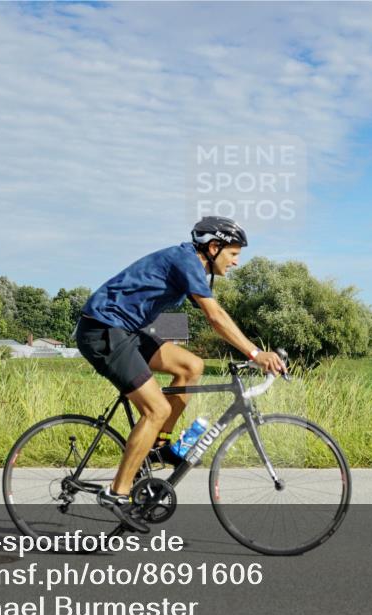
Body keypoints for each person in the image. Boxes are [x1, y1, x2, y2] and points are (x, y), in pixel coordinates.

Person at [74, 216, 286, 532]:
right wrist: (255, 353)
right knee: (156, 408)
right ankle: (117, 493)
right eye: (233, 254)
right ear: (214, 247)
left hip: (126, 330)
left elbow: (211, 314)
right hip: (102, 330)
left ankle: (158, 445)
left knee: (191, 366)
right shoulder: (186, 260)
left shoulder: (193, 264)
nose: (236, 263)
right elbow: (215, 316)